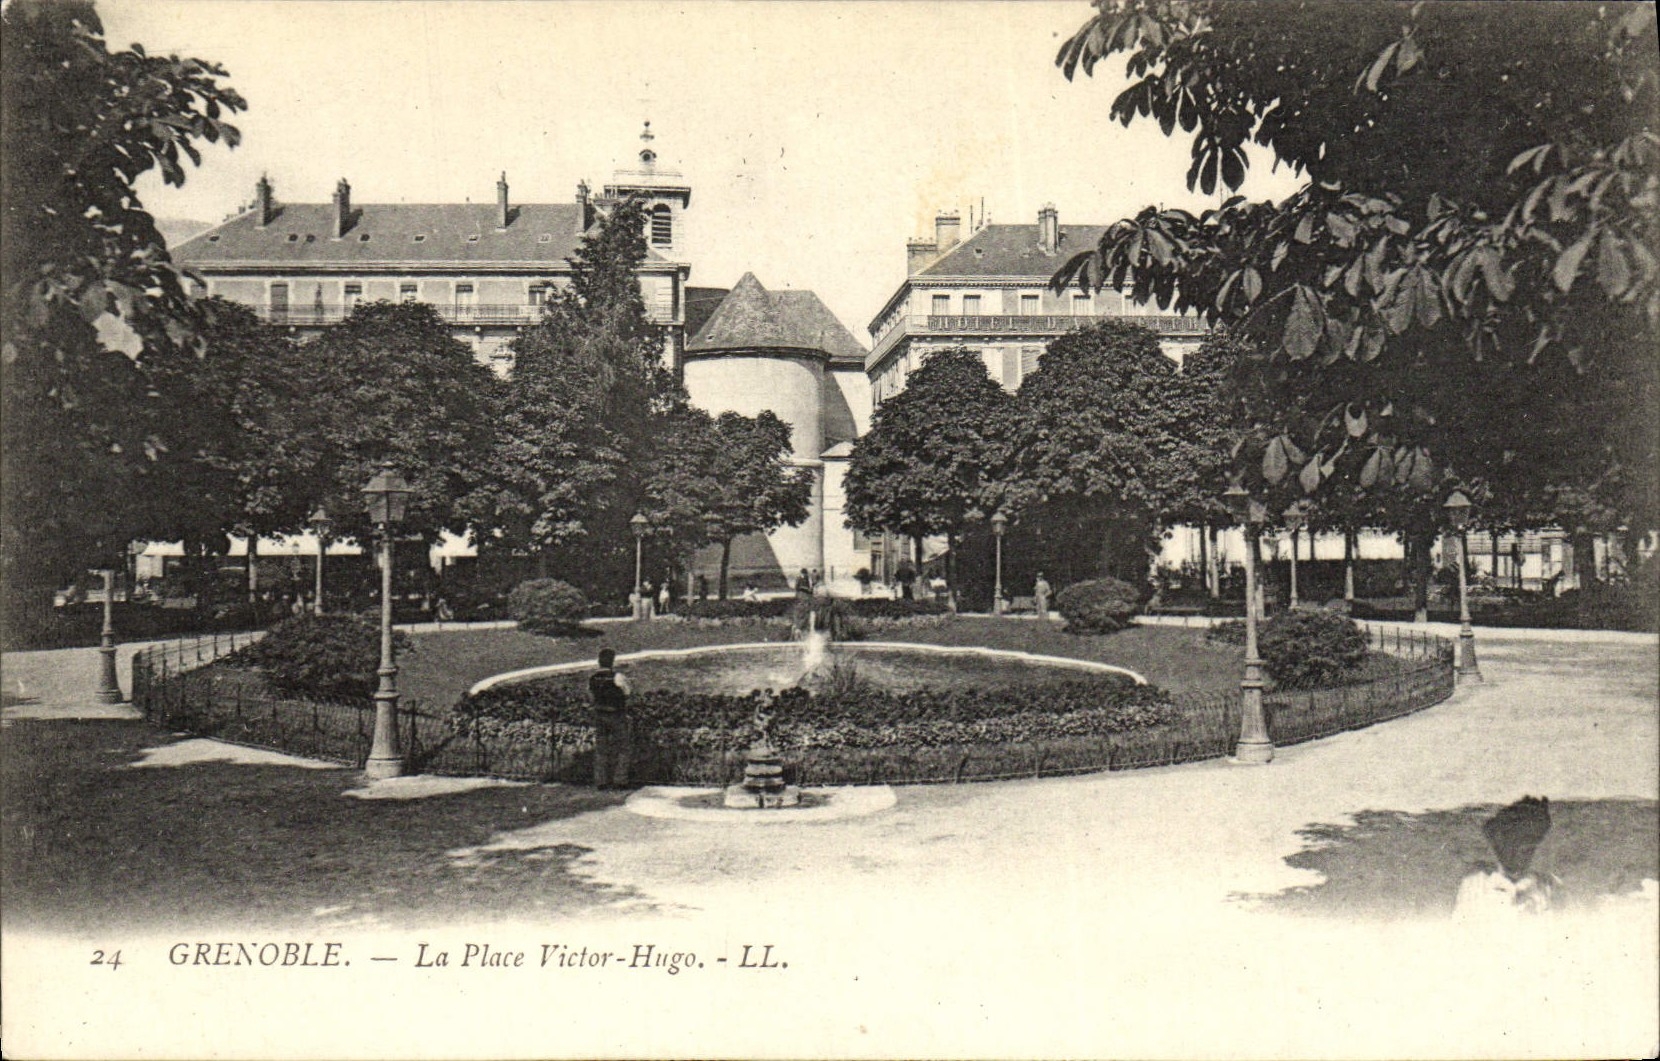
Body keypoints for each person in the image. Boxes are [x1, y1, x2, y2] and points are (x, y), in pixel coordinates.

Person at [588, 648, 633, 789]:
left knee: (601, 748)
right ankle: (620, 780)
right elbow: (628, 692)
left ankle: (601, 781)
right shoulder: (617, 677)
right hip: (616, 714)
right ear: (612, 662)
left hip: (600, 714)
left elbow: (590, 696)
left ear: (599, 661)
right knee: (623, 747)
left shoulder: (593, 679)